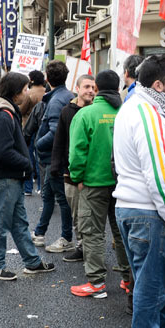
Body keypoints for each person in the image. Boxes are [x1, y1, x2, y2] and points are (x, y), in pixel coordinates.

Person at [113, 55, 165, 328]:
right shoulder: (147, 112)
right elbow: (158, 171)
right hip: (148, 211)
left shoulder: (142, 107)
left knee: (154, 276)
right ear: (158, 84)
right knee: (152, 279)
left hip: (139, 208)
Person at [0, 71, 56, 280]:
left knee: (18, 222)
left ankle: (32, 262)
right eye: (24, 89)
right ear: (15, 93)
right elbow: (4, 151)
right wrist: (27, 163)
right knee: (1, 222)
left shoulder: (4, 110)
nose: (27, 92)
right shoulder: (2, 114)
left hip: (11, 176)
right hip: (6, 176)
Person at [68, 69, 133, 298]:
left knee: (93, 233)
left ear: (96, 89)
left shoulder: (86, 114)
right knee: (122, 234)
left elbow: (76, 153)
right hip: (123, 185)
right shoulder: (126, 113)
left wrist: (77, 178)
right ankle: (129, 280)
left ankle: (96, 283)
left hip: (93, 183)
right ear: (117, 88)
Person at [52, 72, 96, 263]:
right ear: (77, 89)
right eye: (86, 87)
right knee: (77, 213)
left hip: (95, 174)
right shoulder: (66, 111)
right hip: (71, 174)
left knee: (93, 216)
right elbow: (59, 141)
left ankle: (92, 250)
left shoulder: (97, 111)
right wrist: (57, 166)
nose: (91, 91)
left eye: (94, 88)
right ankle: (81, 247)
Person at [32, 61, 75, 251]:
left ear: (47, 79)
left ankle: (66, 237)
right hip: (55, 157)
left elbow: (55, 130)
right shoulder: (66, 95)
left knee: (61, 199)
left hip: (54, 158)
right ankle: (39, 233)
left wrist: (38, 144)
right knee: (49, 195)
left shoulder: (57, 100)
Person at [22, 71, 47, 196]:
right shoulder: (47, 92)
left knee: (29, 157)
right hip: (44, 129)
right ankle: (41, 187)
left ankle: (28, 188)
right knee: (40, 159)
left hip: (30, 128)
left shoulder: (29, 94)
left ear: (31, 80)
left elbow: (22, 110)